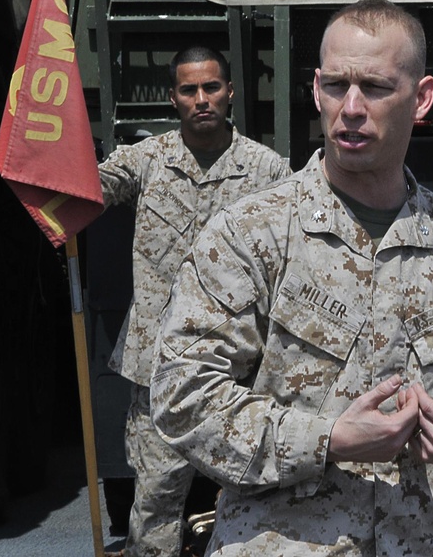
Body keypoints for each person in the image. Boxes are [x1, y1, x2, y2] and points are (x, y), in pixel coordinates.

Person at [149, 0, 433, 555]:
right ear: (316, 89)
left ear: (422, 97)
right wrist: (327, 439)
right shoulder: (251, 236)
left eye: (377, 88)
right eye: (336, 85)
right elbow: (181, 396)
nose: (351, 107)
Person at [98, 46, 292, 557]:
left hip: (240, 368)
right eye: (189, 90)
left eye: (211, 88)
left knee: (255, 497)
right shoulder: (147, 160)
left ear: (229, 93)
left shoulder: (266, 170)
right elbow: (87, 188)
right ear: (173, 98)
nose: (201, 99)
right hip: (160, 366)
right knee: (157, 501)